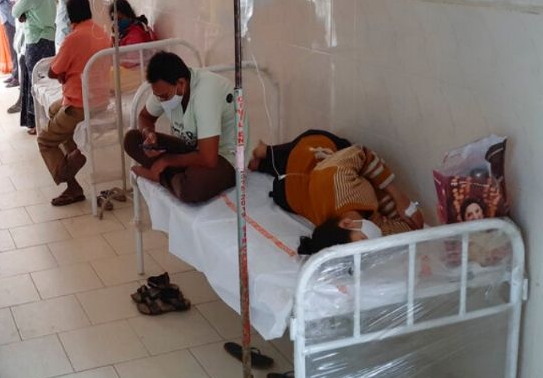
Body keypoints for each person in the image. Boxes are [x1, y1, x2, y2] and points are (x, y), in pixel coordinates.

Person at [249, 130, 425, 254]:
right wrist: (412, 218)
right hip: (306, 191)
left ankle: (267, 151)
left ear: (346, 224)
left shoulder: (337, 178)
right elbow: (408, 228)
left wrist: (399, 198)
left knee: (304, 155)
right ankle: (263, 162)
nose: (371, 245)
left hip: (300, 173)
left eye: (364, 242)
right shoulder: (368, 228)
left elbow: (362, 153)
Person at [124, 51, 238, 204]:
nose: (160, 100)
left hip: (224, 156)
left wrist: (166, 161)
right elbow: (145, 117)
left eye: (163, 96)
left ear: (181, 84)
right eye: (157, 96)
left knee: (191, 189)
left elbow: (209, 158)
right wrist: (148, 134)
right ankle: (173, 176)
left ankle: (160, 175)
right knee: (132, 139)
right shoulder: (165, 88)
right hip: (193, 148)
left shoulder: (206, 94)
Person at [38, 0, 111, 206]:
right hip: (100, 100)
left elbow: (53, 70)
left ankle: (69, 174)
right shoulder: (101, 32)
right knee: (53, 111)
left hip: (79, 105)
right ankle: (73, 152)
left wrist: (61, 73)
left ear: (70, 16)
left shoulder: (74, 38)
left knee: (45, 140)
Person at [12, 0, 57, 134]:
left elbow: (16, 11)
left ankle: (34, 122)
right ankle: (46, 119)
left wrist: (25, 14)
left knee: (34, 81)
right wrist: (29, 13)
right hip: (50, 39)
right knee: (46, 81)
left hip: (36, 40)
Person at [5, 0, 33, 96]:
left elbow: (16, 7)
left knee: (26, 69)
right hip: (26, 31)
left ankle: (23, 99)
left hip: (29, 33)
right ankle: (22, 98)